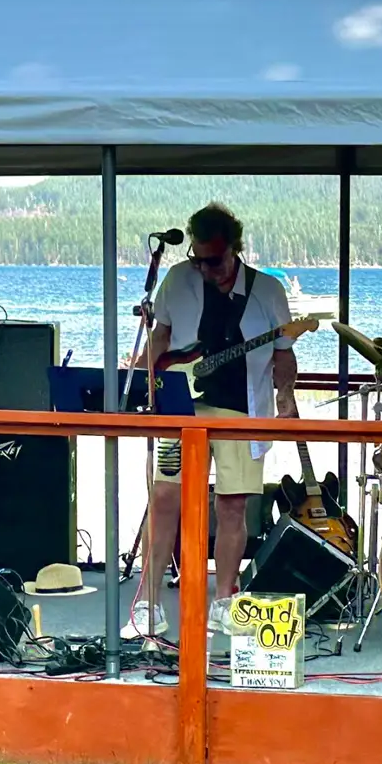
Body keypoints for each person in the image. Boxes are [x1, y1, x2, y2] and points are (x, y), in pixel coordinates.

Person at [125, 203, 298, 640]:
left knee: (232, 504)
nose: (206, 269)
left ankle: (224, 600)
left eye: (215, 261)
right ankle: (147, 603)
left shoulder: (268, 291)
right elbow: (160, 336)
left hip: (243, 409)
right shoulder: (177, 280)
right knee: (165, 497)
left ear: (234, 250)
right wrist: (140, 384)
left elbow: (283, 354)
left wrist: (285, 398)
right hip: (180, 404)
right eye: (198, 260)